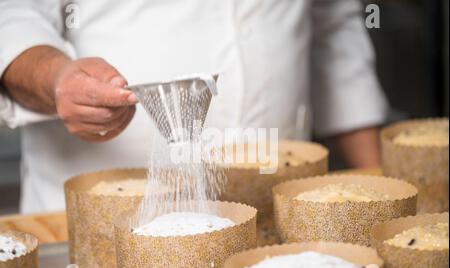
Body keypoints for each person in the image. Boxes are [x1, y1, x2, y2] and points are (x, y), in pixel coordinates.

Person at [0, 0, 388, 214]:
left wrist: (381, 190)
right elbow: (14, 17)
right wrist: (57, 79)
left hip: (276, 212)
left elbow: (333, 24)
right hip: (101, 224)